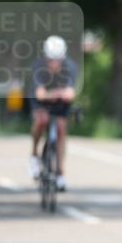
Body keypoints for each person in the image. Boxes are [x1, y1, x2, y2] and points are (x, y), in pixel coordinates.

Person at [29, 35, 78, 191]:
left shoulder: (70, 67)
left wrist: (53, 94)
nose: (54, 63)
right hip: (41, 102)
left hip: (59, 103)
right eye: (51, 60)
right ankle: (34, 154)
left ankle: (60, 172)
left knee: (62, 128)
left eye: (57, 60)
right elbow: (40, 95)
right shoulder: (38, 67)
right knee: (41, 120)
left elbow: (70, 94)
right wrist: (57, 92)